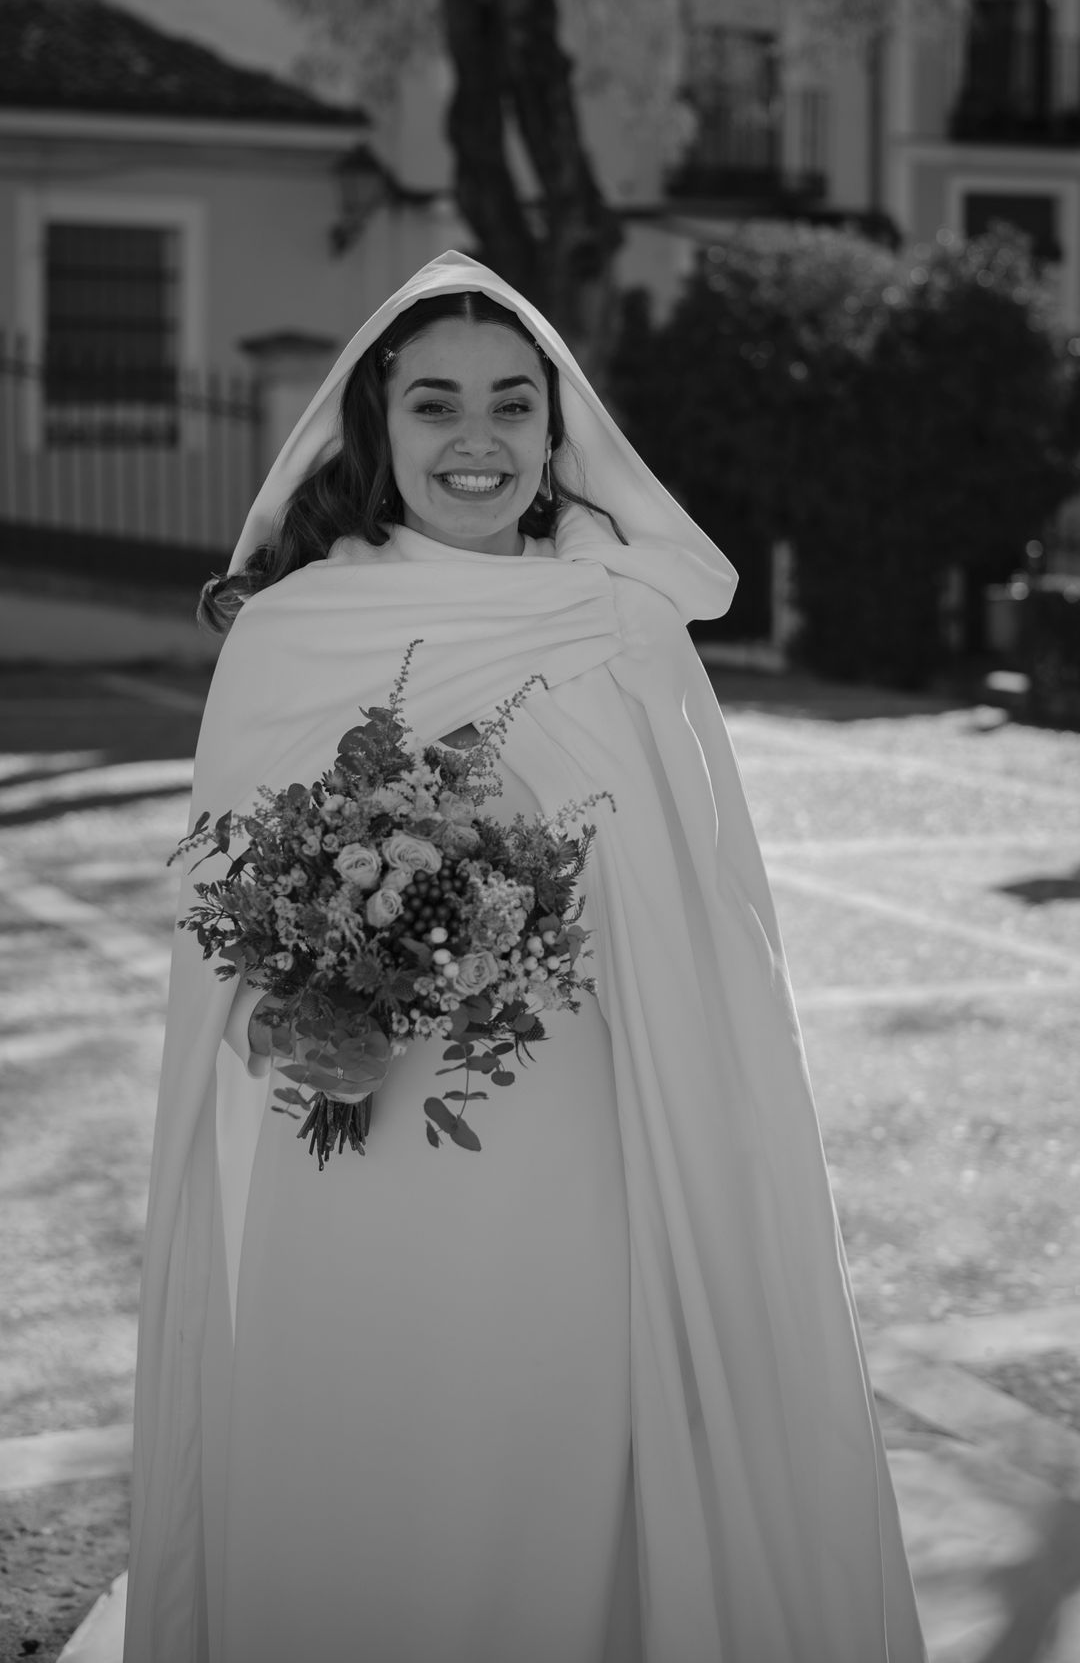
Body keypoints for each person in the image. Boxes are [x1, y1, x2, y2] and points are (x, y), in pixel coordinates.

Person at [123, 251, 929, 1663]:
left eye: (512, 404)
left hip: (584, 1126)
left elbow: (698, 909)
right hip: (366, 1139)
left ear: (559, 432)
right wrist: (300, 1014)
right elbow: (226, 946)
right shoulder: (298, 632)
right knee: (376, 1443)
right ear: (378, 431)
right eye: (435, 407)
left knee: (565, 1441)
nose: (478, 441)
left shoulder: (621, 622)